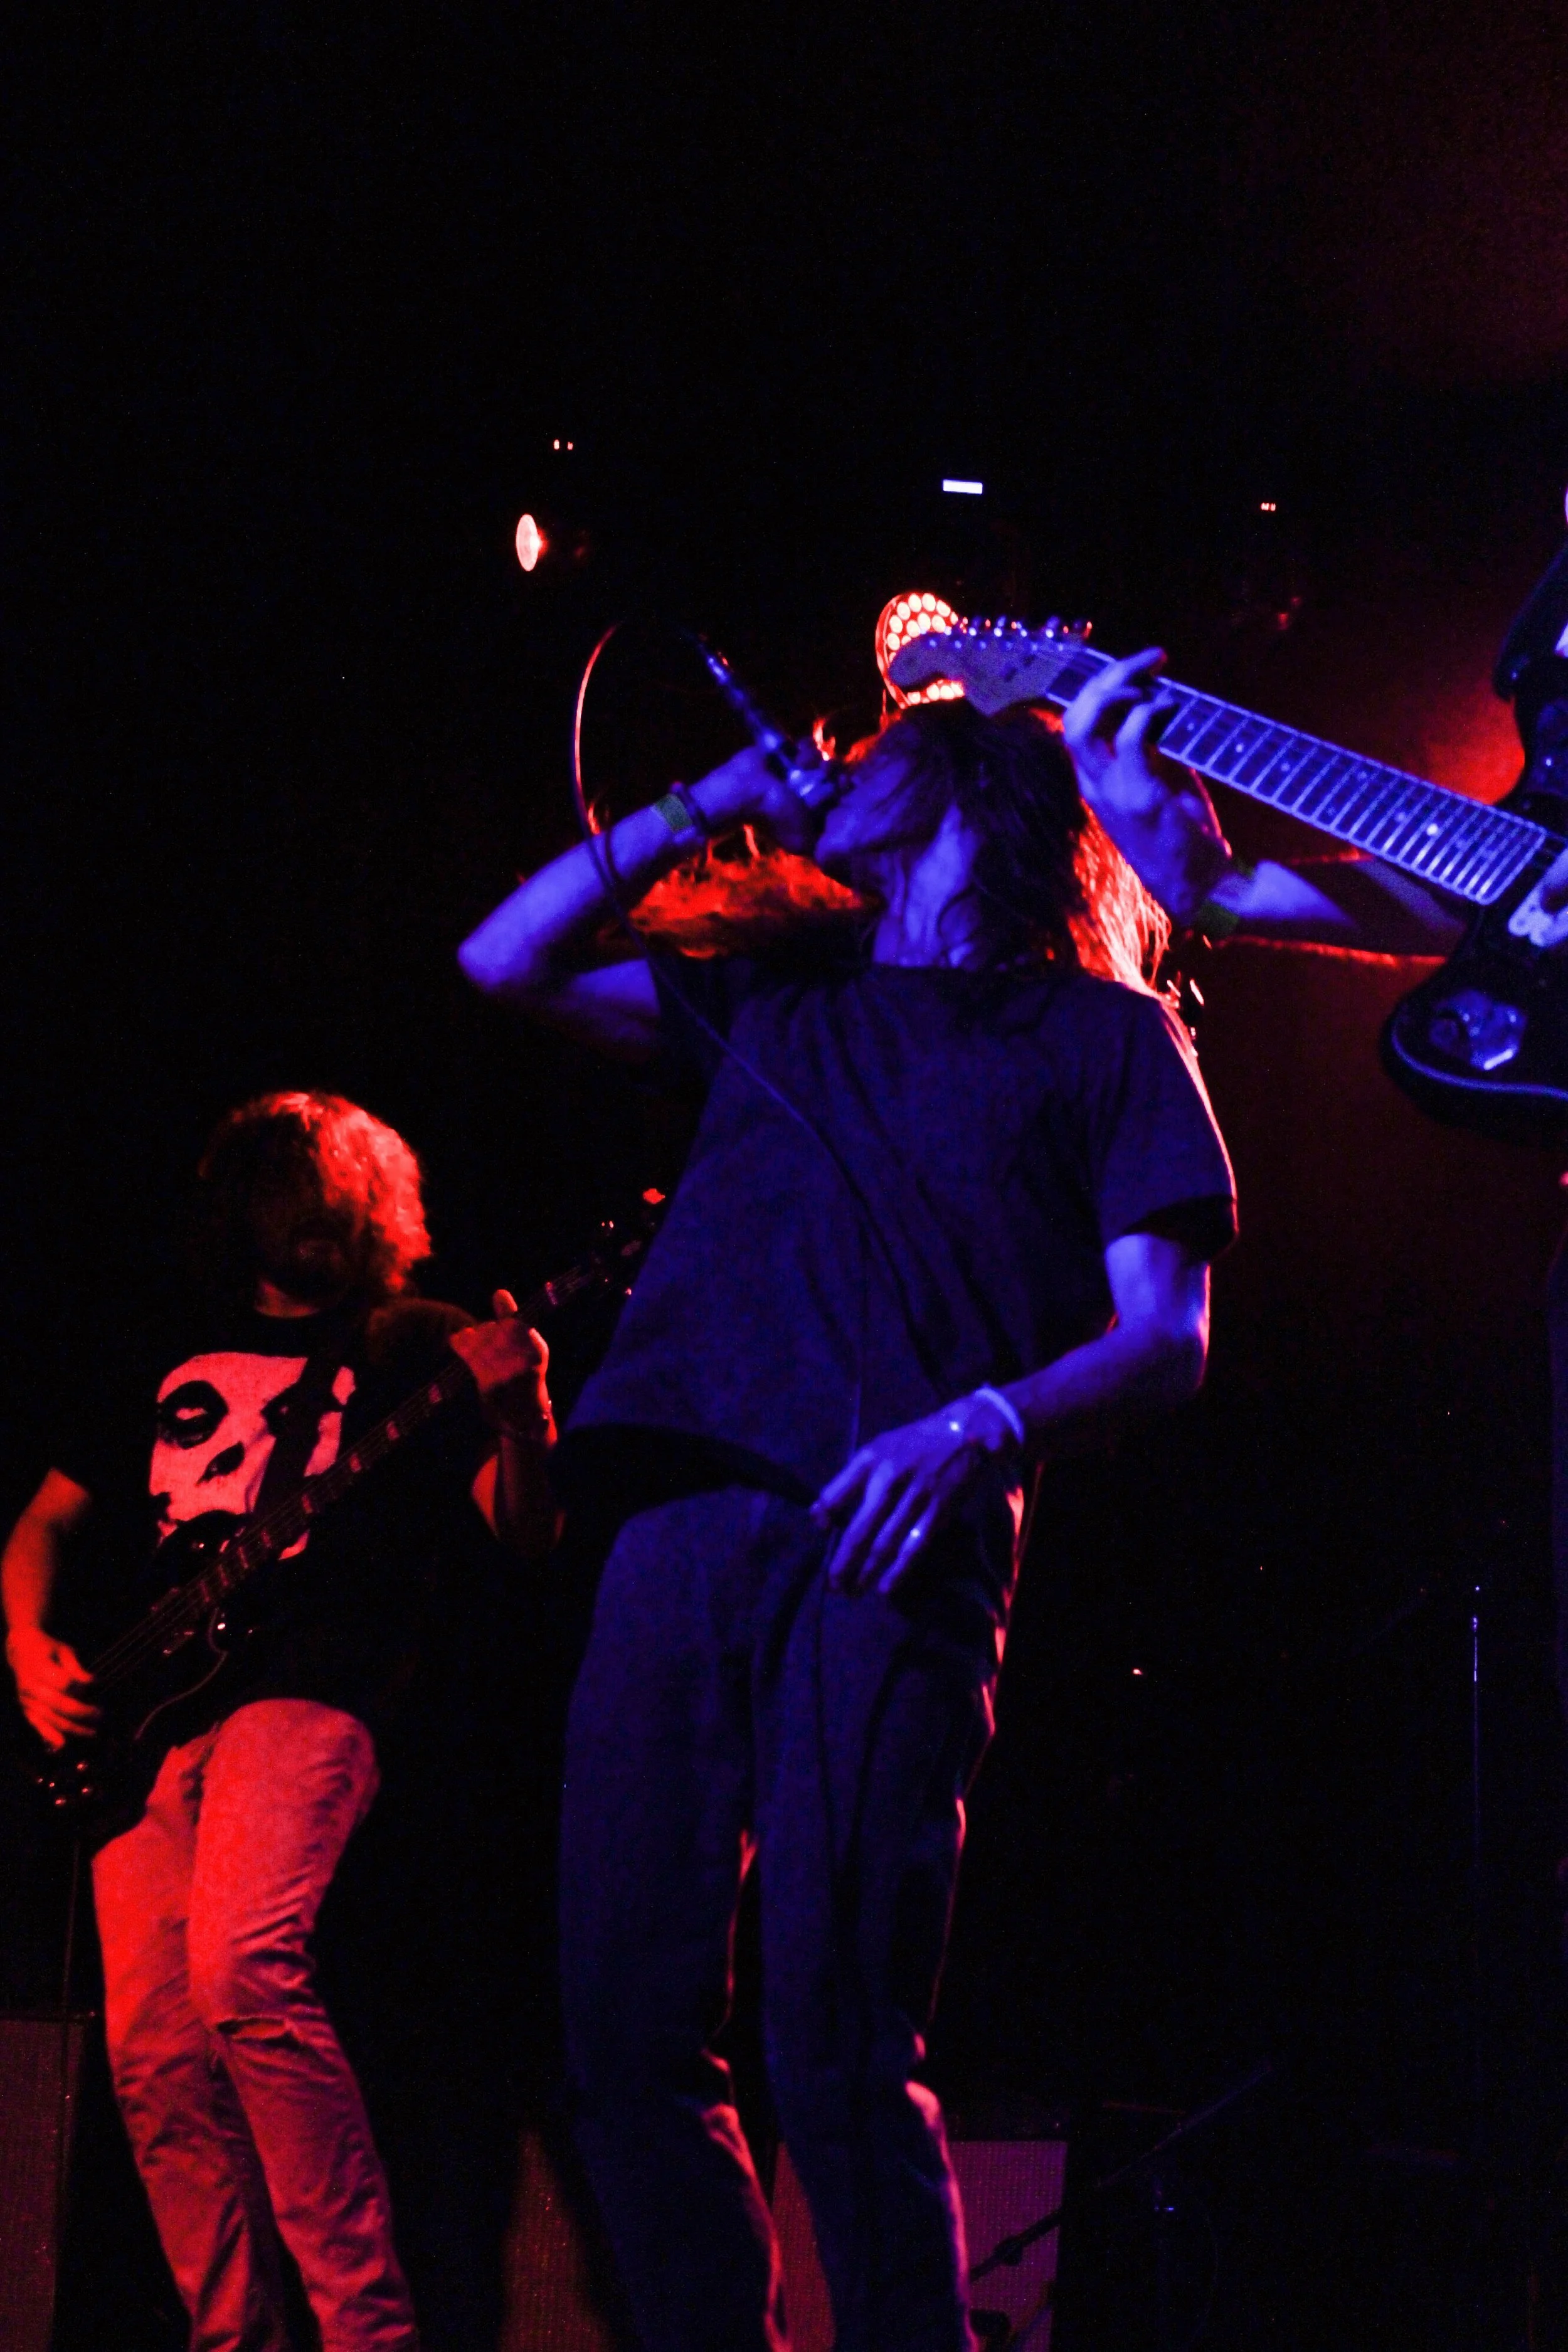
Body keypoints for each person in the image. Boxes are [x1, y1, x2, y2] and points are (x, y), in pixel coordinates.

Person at [458, 701, 1238, 2352]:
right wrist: (705, 794)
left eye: (877, 756)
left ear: (962, 795)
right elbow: (499, 957)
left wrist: (982, 1423)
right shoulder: (776, 996)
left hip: (896, 1530)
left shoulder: (1101, 1037)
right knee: (621, 2012)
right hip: (680, 1514)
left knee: (834, 2023)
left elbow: (1167, 1335)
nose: (842, 768)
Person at [3, 1089, 558, 2352]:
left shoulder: (416, 1337)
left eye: (336, 1187)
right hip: (147, 1713)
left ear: (375, 1205)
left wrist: (522, 1411)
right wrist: (27, 1643)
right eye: (285, 1186)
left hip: (316, 1677)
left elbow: (525, 1536)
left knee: (247, 1969)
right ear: (239, 1204)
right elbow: (43, 1522)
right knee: (149, 2051)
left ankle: (369, 2334)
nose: (313, 1211)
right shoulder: (166, 1344)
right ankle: (230, 2336)